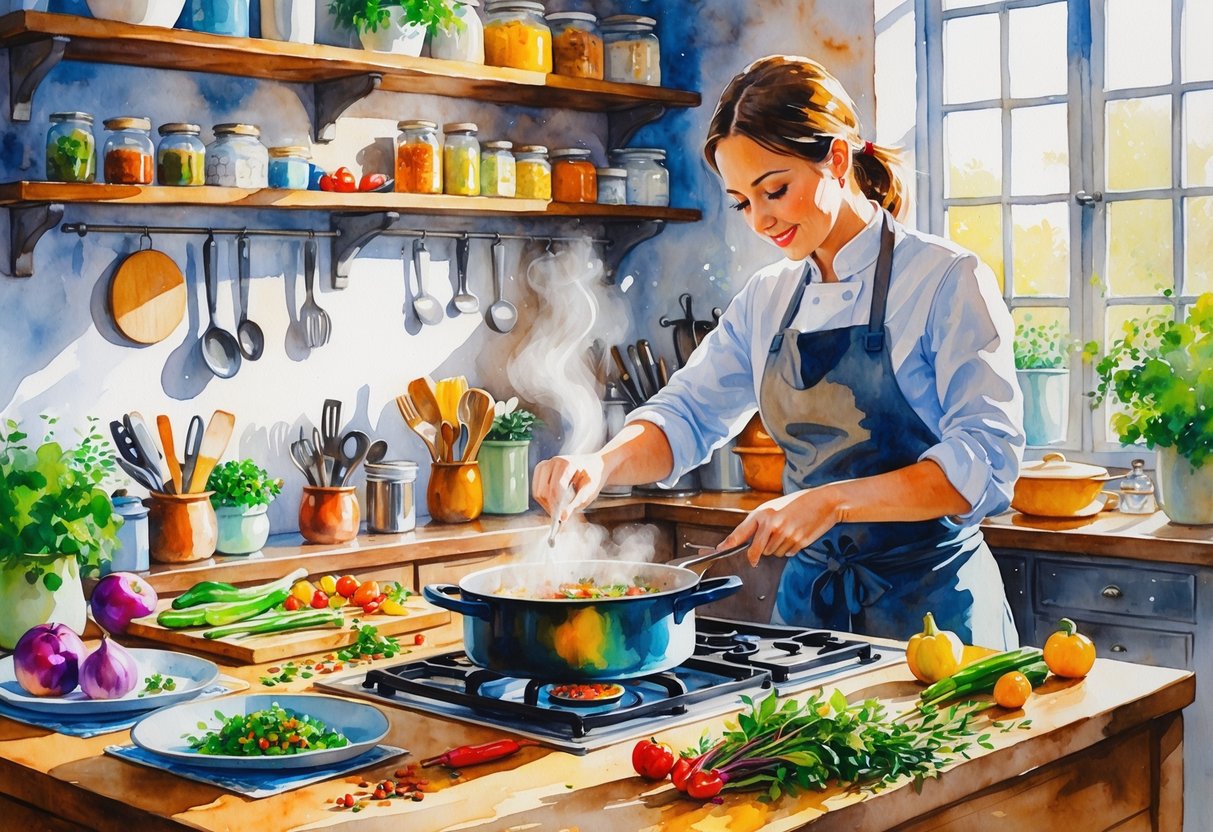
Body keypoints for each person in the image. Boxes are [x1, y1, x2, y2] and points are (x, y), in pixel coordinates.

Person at [532, 55, 1024, 650]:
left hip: (936, 617)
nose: (761, 221)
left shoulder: (946, 279)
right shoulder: (768, 297)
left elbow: (987, 460)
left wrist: (832, 503)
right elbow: (686, 415)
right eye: (742, 202)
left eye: (775, 191)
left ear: (836, 159)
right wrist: (600, 465)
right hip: (811, 619)